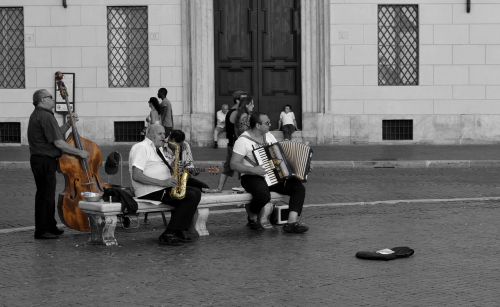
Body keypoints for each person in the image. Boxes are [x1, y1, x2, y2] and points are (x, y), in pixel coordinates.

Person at [230, 112, 309, 233]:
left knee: (298, 187)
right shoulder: (242, 141)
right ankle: (252, 213)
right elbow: (233, 164)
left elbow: (280, 156)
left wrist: (302, 165)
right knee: (263, 195)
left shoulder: (269, 136)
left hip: (272, 175)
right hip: (251, 177)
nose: (270, 125)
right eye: (267, 123)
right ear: (257, 125)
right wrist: (253, 170)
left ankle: (291, 223)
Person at [28, 89, 89, 240]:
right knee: (45, 196)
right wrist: (79, 152)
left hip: (41, 160)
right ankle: (42, 230)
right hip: (44, 160)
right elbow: (59, 143)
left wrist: (68, 124)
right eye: (50, 97)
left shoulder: (40, 114)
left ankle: (50, 226)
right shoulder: (45, 116)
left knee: (46, 195)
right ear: (42, 100)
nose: (53, 100)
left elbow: (57, 134)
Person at [129, 124, 201, 246]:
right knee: (190, 196)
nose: (164, 137)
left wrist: (174, 165)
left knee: (195, 191)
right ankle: (169, 233)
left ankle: (179, 230)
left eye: (164, 134)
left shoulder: (158, 149)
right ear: (150, 135)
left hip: (161, 188)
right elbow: (136, 175)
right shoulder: (141, 147)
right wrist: (163, 182)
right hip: (150, 190)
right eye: (160, 134)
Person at [208, 90, 248, 192]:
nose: (246, 102)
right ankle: (243, 188)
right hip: (236, 144)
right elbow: (241, 130)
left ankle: (219, 188)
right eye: (244, 99)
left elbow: (227, 128)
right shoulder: (236, 113)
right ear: (238, 100)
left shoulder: (231, 111)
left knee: (228, 166)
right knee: (242, 166)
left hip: (232, 143)